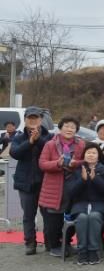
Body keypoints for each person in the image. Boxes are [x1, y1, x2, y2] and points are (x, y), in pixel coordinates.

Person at [39, 116, 85, 257]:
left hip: (73, 185)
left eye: (73, 127)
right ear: (60, 128)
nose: (69, 129)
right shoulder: (50, 144)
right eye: (66, 126)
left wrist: (75, 163)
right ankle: (54, 246)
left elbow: (86, 159)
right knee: (54, 218)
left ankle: (67, 243)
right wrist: (57, 164)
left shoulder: (81, 144)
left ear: (76, 130)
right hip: (54, 186)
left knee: (72, 215)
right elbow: (42, 164)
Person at [10, 106, 52, 255]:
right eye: (30, 118)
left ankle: (50, 242)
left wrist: (37, 139)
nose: (33, 120)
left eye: (36, 118)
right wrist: (29, 141)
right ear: (25, 120)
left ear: (41, 119)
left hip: (45, 183)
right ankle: (30, 243)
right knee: (28, 215)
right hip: (25, 182)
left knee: (48, 215)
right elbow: (14, 153)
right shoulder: (19, 137)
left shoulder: (49, 136)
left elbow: (50, 150)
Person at [65, 142, 104, 265]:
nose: (91, 155)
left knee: (94, 217)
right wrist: (82, 180)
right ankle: (82, 251)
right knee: (82, 218)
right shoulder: (77, 170)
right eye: (88, 153)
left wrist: (95, 179)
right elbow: (71, 192)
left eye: (94, 153)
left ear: (98, 156)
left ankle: (93, 251)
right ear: (84, 155)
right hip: (80, 205)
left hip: (100, 205)